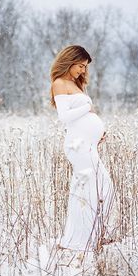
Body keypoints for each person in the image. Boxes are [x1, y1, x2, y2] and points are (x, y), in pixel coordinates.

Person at [50, 45, 115, 253]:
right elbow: (64, 116)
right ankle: (79, 240)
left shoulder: (75, 85)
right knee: (89, 190)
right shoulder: (60, 83)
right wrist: (88, 107)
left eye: (85, 67)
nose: (83, 71)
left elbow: (80, 120)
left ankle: (95, 234)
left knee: (102, 188)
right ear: (69, 61)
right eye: (80, 66)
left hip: (87, 145)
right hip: (77, 146)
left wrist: (96, 134)